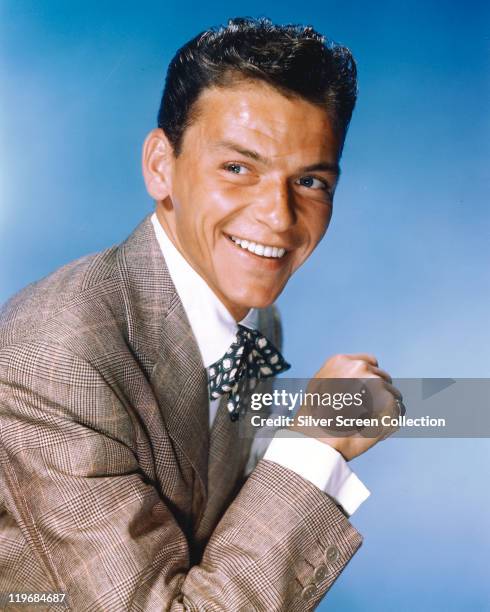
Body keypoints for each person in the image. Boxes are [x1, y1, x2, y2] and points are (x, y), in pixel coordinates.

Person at [0, 17, 402, 611]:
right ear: (161, 166)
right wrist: (313, 445)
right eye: (238, 168)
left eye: (311, 180)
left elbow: (216, 540)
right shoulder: (54, 360)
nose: (279, 217)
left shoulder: (255, 320)